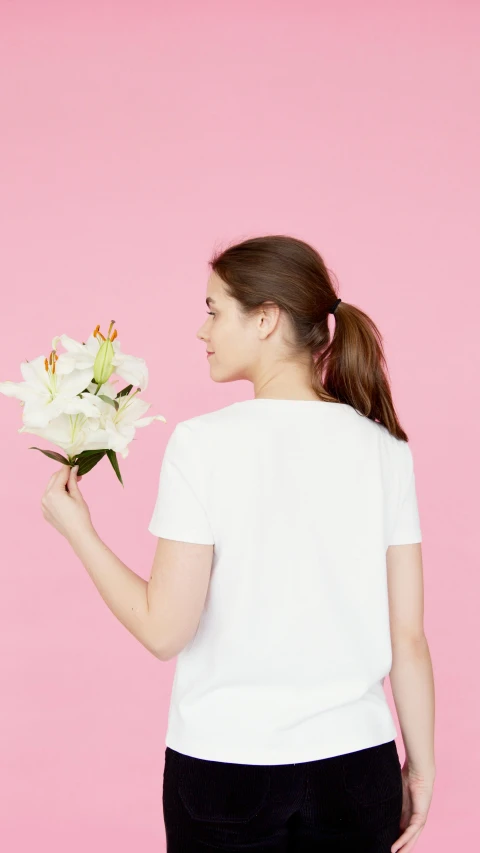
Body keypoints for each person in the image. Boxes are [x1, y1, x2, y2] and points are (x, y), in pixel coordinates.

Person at [147, 235, 436, 852]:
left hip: (225, 769)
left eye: (213, 309)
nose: (203, 330)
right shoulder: (386, 449)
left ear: (267, 318)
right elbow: (408, 636)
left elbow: (163, 629)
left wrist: (78, 531)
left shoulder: (201, 445)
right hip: (358, 769)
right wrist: (421, 764)